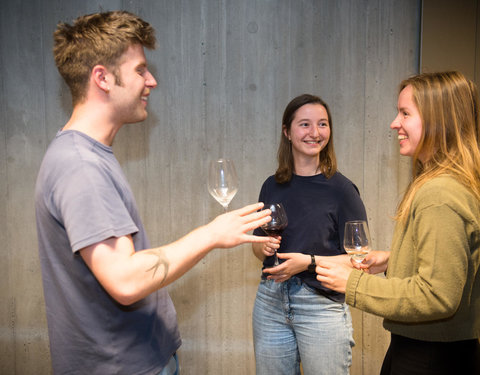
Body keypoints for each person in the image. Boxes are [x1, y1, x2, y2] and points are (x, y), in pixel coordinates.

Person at [34, 11, 272, 375]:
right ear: (102, 78)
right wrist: (212, 234)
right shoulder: (80, 166)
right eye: (140, 70)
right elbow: (126, 280)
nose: (152, 81)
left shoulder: (87, 155)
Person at [316, 71, 480, 374]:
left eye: (405, 113)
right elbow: (456, 265)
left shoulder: (440, 192)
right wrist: (393, 260)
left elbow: (438, 295)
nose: (395, 123)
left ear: (438, 120)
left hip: (431, 357)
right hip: (430, 348)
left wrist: (353, 284)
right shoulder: (444, 183)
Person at [251, 94, 368, 375]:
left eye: (323, 124)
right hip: (270, 302)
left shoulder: (342, 190)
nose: (315, 133)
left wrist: (309, 262)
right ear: (287, 132)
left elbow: (360, 258)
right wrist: (263, 247)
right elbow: (257, 246)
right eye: (305, 124)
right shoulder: (271, 186)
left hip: (321, 306)